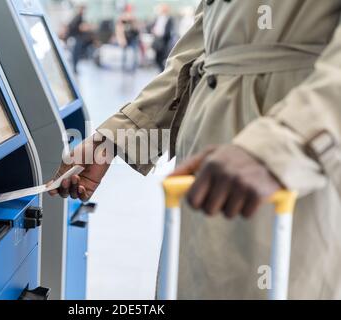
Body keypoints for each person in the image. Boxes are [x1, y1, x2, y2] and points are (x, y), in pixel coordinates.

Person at [49, 1, 341, 299]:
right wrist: (112, 139)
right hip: (205, 156)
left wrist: (282, 144)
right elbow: (197, 52)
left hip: (291, 166)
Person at [66, 5, 92, 74]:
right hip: (77, 38)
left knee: (76, 54)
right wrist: (83, 28)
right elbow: (74, 27)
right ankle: (74, 68)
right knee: (75, 54)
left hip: (78, 38)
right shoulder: (78, 17)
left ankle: (75, 68)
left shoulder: (79, 17)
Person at [115, 4, 140, 72]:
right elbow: (119, 29)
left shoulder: (133, 18)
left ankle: (134, 68)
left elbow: (137, 28)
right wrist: (121, 39)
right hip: (125, 38)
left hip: (133, 38)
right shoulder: (122, 18)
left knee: (135, 52)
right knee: (124, 53)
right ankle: (123, 67)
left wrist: (133, 21)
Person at [151, 4, 175, 71]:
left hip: (165, 41)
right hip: (157, 40)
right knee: (157, 58)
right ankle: (161, 70)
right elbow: (152, 26)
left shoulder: (169, 19)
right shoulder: (157, 18)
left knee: (164, 57)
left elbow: (169, 30)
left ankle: (163, 71)